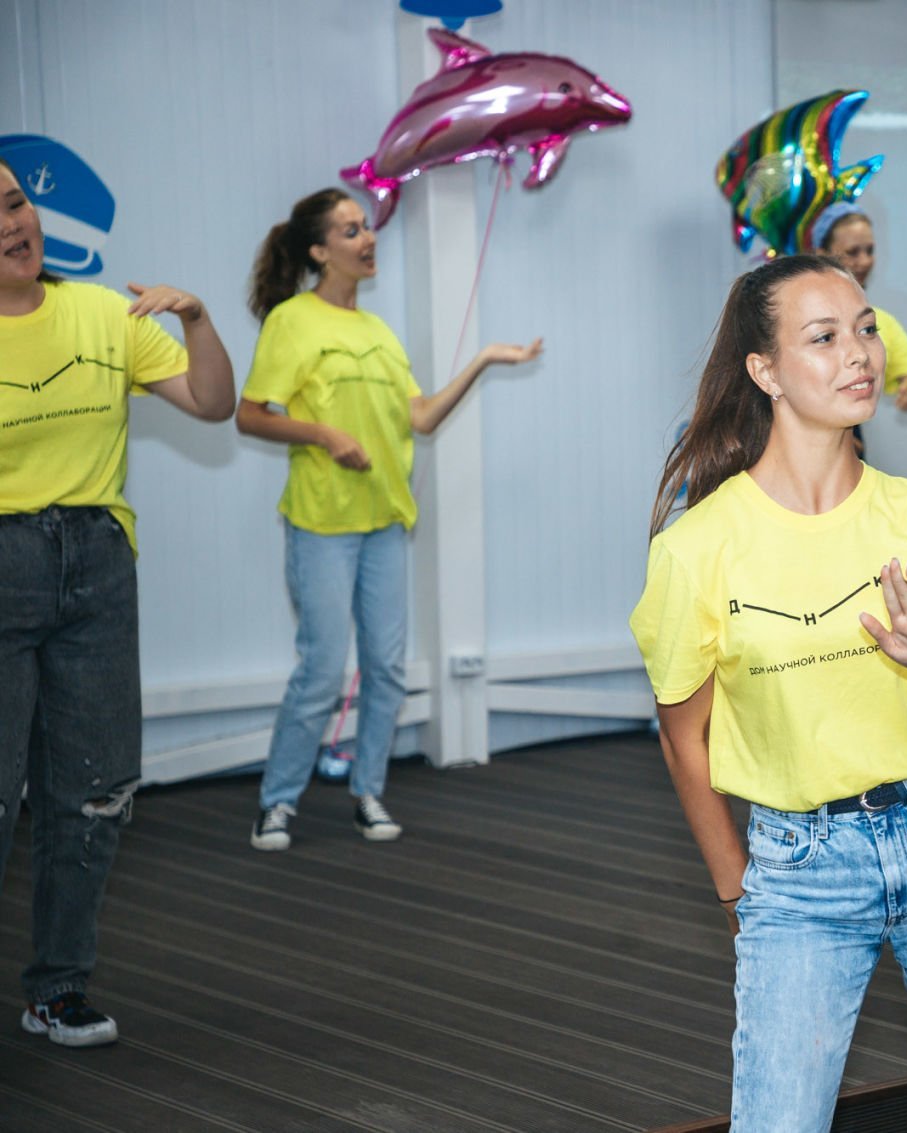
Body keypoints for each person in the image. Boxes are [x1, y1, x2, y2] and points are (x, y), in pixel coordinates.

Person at [631, 254, 907, 1131]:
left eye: (866, 328)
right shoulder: (696, 549)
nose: (860, 353)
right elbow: (684, 736)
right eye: (823, 337)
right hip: (802, 870)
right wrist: (736, 889)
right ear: (765, 371)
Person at [0, 157, 235, 1046]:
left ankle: (59, 987)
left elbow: (212, 403)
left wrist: (198, 319)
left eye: (16, 203)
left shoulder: (105, 314)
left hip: (97, 563)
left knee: (92, 791)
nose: (12, 225)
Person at [238, 188, 540, 852]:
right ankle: (277, 802)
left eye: (366, 226)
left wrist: (484, 359)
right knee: (322, 671)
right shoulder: (292, 320)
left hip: (384, 520)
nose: (367, 237)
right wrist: (323, 434)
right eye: (350, 230)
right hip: (322, 521)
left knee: (386, 669)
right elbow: (251, 414)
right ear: (320, 251)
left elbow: (421, 416)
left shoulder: (378, 332)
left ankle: (368, 791)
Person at [811, 202, 907, 452]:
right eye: (852, 252)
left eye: (869, 250)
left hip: (850, 463)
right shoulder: (794, 320)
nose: (864, 261)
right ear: (822, 254)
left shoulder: (881, 323)